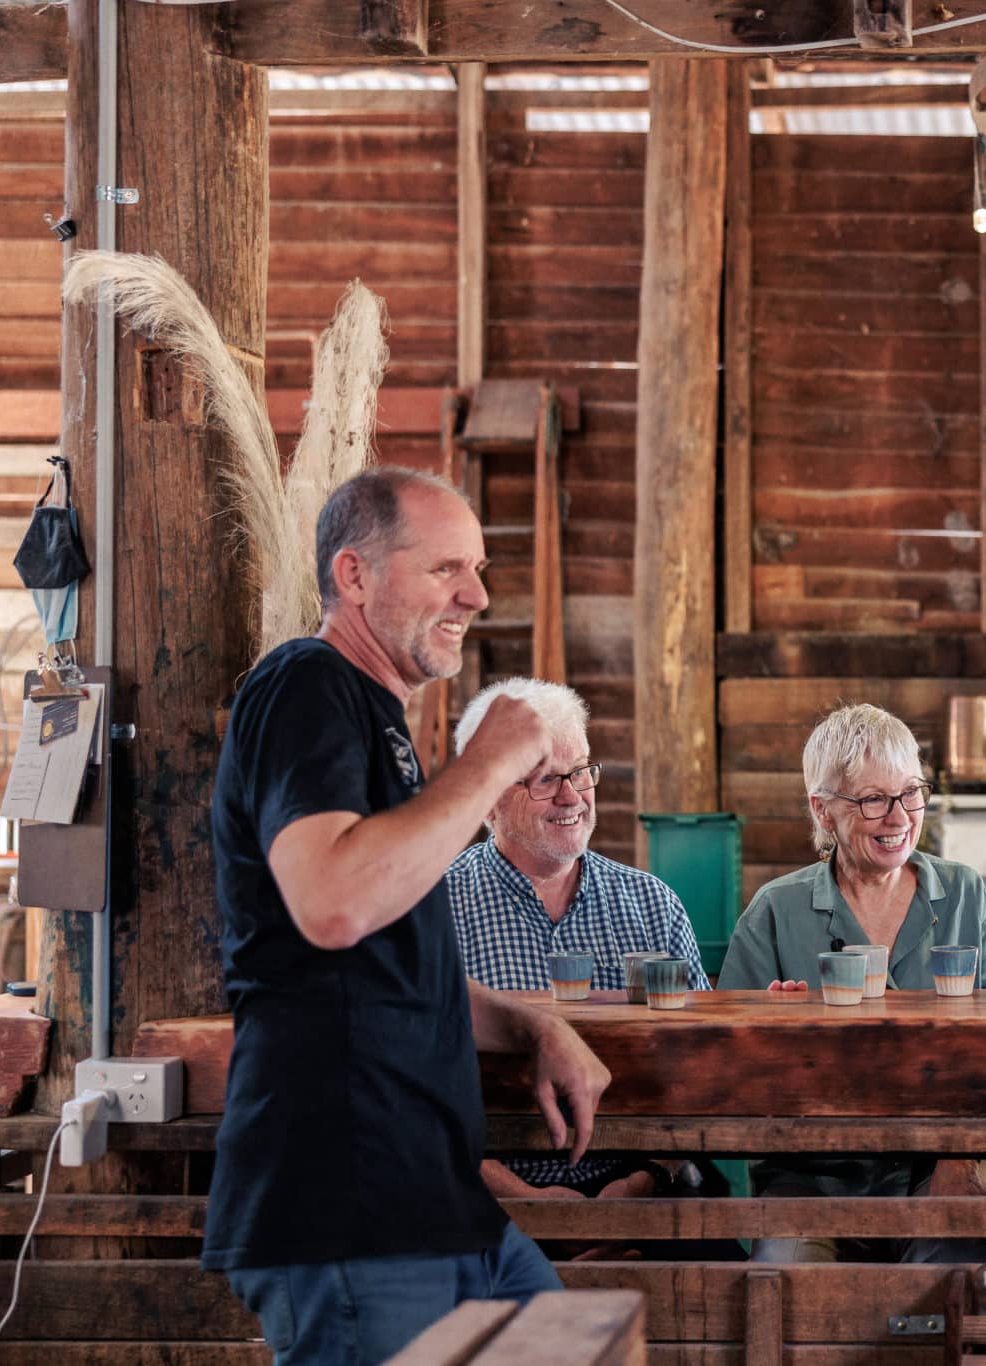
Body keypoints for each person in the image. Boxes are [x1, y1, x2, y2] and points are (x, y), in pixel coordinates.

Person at [205, 467, 614, 1364]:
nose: (476, 594)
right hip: (347, 1195)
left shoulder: (377, 719)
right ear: (352, 576)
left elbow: (385, 965)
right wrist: (493, 764)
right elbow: (335, 905)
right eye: (445, 570)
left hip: (432, 1199)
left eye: (476, 568)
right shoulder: (303, 684)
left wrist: (526, 1025)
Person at [717, 702, 986, 1263]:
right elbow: (726, 1072)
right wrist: (768, 1034)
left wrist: (967, 1157)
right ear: (823, 810)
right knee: (794, 1293)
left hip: (944, 1160)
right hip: (813, 1172)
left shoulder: (962, 894)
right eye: (874, 800)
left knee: (953, 1280)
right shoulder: (776, 910)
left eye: (911, 793)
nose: (901, 817)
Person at [446, 677, 731, 1255]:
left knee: (728, 1289)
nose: (573, 796)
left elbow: (699, 1075)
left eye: (580, 772)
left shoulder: (653, 905)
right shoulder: (432, 911)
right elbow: (404, 1100)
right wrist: (515, 1198)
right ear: (490, 795)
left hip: (641, 1195)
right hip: (479, 1201)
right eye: (547, 779)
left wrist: (642, 1182)